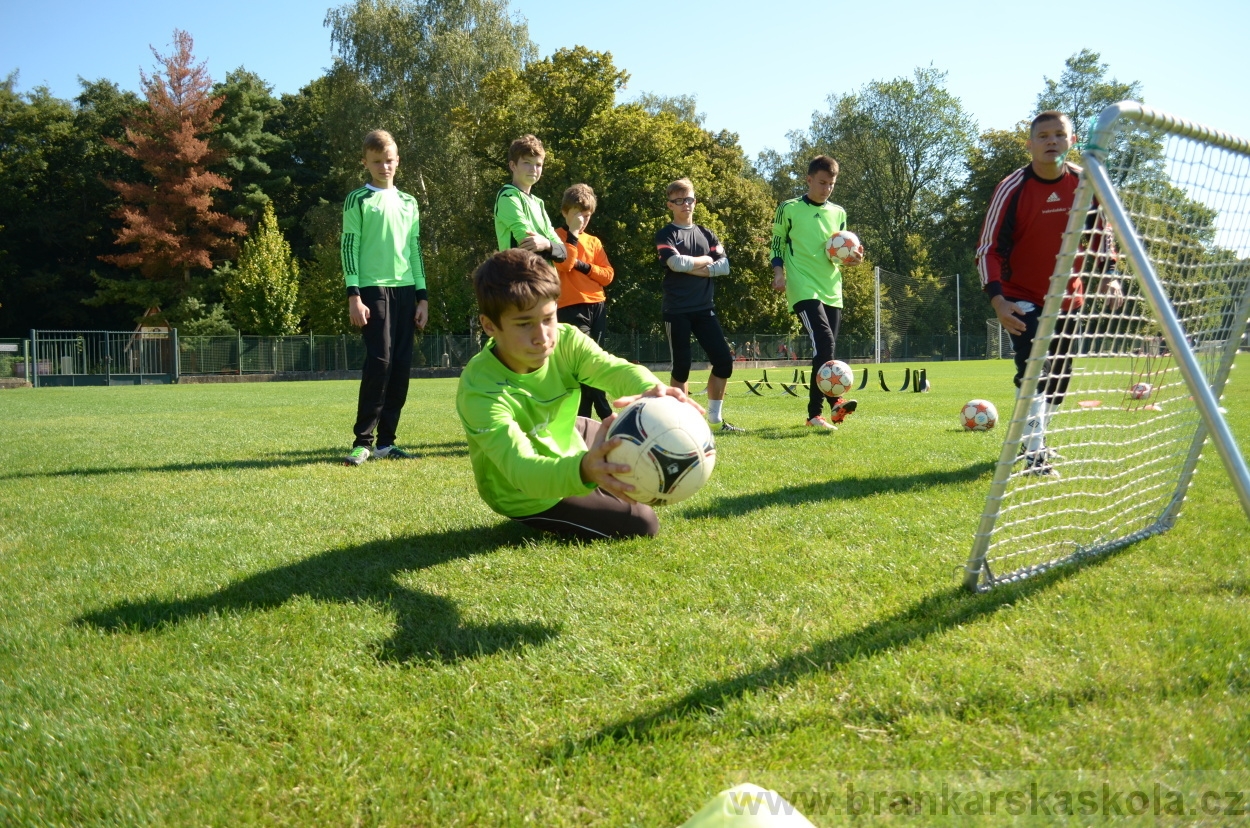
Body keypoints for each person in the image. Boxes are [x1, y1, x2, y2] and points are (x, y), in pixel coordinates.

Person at [457, 248, 701, 540]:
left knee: (636, 442)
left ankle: (583, 463)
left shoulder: (566, 340)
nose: (543, 337)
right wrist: (585, 469)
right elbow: (521, 470)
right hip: (523, 492)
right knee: (642, 523)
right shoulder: (480, 390)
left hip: (567, 433)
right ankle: (573, 483)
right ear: (489, 326)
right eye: (524, 324)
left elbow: (611, 369)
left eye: (548, 318)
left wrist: (649, 388)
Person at [977, 110, 1122, 476]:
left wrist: (1109, 274)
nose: (1051, 141)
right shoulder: (1012, 188)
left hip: (1067, 298)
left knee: (1059, 378)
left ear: (1072, 142)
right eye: (1043, 136)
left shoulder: (1085, 184)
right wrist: (998, 300)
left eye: (1059, 134)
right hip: (1020, 296)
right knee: (1034, 373)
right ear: (1029, 145)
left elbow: (1102, 235)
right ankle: (1035, 455)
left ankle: (1034, 440)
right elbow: (988, 248)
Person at [341, 129, 429, 466]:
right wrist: (354, 295)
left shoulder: (409, 202)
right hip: (372, 289)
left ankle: (386, 443)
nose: (384, 166)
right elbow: (348, 247)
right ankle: (363, 442)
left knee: (401, 366)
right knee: (380, 362)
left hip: (407, 291)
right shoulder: (358, 200)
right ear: (365, 162)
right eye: (377, 161)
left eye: (389, 160)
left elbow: (415, 251)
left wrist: (423, 297)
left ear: (397, 161)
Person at [770, 155, 861, 429]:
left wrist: (853, 258)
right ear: (809, 179)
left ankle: (831, 408)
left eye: (831, 184)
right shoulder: (789, 208)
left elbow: (841, 251)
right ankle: (819, 412)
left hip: (832, 287)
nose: (826, 189)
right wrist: (778, 272)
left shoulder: (839, 212)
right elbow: (777, 244)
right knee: (824, 342)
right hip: (802, 285)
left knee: (826, 352)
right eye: (822, 182)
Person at [655, 178, 744, 433]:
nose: (686, 205)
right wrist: (706, 262)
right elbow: (675, 264)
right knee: (681, 366)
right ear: (670, 205)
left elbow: (724, 266)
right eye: (679, 200)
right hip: (676, 310)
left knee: (724, 362)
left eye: (690, 199)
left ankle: (715, 422)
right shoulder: (666, 234)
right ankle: (681, 425)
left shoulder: (706, 233)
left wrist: (692, 265)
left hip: (704, 308)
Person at [554, 183, 614, 419]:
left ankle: (583, 422)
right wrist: (574, 235)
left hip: (597, 306)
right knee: (586, 364)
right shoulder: (556, 236)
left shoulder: (595, 242)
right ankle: (607, 416)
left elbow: (607, 275)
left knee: (590, 366)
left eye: (587, 215)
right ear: (565, 213)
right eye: (578, 214)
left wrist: (584, 267)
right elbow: (564, 264)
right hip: (570, 308)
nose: (583, 220)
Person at [493, 134, 567, 263]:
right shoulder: (508, 196)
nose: (533, 169)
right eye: (527, 163)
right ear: (513, 166)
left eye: (538, 164)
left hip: (543, 280)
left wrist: (546, 244)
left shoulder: (538, 203)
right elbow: (528, 243)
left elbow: (563, 253)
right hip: (518, 278)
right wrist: (550, 246)